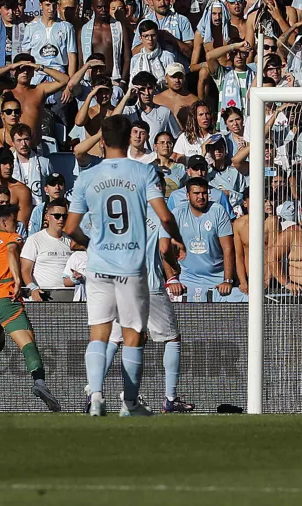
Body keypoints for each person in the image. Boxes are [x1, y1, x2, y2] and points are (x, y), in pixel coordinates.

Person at [63, 115, 186, 417]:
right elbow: (165, 217)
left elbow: (69, 229)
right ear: (130, 138)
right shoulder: (143, 172)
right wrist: (178, 238)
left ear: (102, 141)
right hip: (131, 266)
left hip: (99, 265)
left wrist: (90, 240)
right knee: (133, 334)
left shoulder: (87, 177)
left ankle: (95, 397)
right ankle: (129, 403)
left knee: (99, 334)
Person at [94, 171, 194, 413]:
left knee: (116, 339)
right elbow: (163, 247)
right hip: (147, 285)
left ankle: (94, 391)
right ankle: (170, 398)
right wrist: (173, 271)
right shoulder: (156, 214)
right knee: (171, 338)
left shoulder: (119, 214)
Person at [0, 204, 60, 411]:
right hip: (4, 299)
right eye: (15, 221)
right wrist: (17, 280)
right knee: (27, 340)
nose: (17, 225)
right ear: (5, 222)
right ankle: (40, 383)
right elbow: (10, 251)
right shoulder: (11, 238)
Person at [171, 177, 235, 297]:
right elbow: (166, 248)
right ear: (188, 195)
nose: (201, 197)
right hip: (187, 280)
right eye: (196, 193)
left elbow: (228, 248)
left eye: (204, 193)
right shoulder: (178, 213)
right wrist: (172, 279)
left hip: (217, 280)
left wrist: (227, 280)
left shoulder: (218, 211)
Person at [20, 198, 73, 297]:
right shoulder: (34, 239)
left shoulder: (72, 241)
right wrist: (33, 288)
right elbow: (25, 270)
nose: (61, 219)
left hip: (70, 294)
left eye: (64, 216)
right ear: (47, 217)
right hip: (44, 295)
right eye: (57, 216)